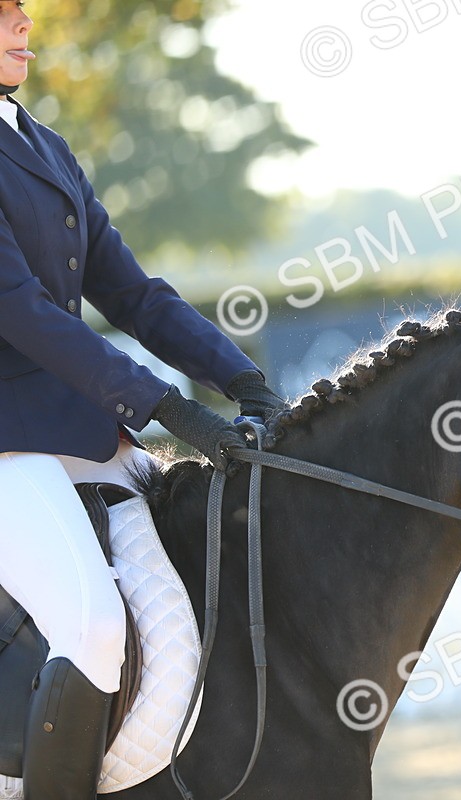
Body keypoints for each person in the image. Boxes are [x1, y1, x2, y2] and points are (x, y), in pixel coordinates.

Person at [0, 3, 289, 796]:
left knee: (194, 607)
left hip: (80, 435)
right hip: (8, 444)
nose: (23, 25)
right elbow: (20, 311)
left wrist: (241, 381)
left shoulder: (42, 146)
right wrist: (169, 408)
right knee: (94, 630)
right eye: (3, 13)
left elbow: (133, 294)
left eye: (24, 11)